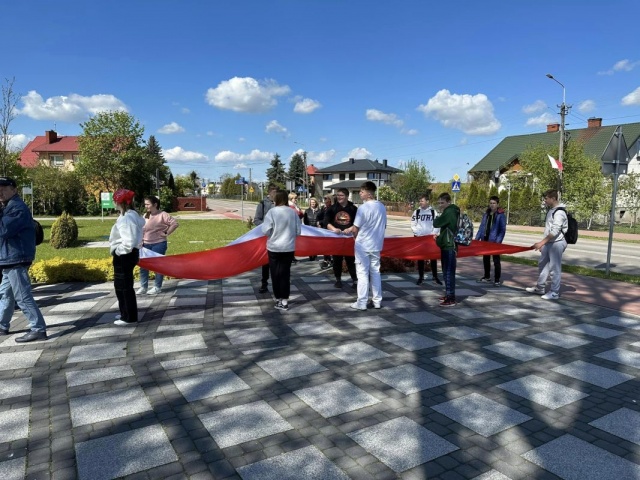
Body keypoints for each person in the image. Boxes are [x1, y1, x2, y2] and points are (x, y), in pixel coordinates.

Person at [0, 177, 48, 342]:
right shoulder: (7, 206)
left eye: (4, 188)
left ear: (14, 190)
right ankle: (2, 325)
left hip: (16, 258)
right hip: (8, 258)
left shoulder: (17, 208)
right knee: (6, 294)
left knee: (22, 296)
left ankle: (38, 328)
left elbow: (4, 230)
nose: (0, 192)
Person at [343, 182, 386, 310]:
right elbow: (382, 225)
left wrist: (353, 234)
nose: (360, 194)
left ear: (369, 193)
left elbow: (356, 228)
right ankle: (377, 301)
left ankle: (362, 302)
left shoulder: (363, 208)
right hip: (376, 244)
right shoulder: (382, 207)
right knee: (375, 272)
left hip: (363, 245)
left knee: (362, 273)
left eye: (362, 192)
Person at [110, 189, 145, 325]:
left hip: (124, 255)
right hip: (129, 254)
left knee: (123, 286)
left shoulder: (126, 218)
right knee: (123, 286)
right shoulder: (130, 215)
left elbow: (129, 241)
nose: (113, 203)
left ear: (119, 202)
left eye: (114, 200)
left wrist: (118, 251)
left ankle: (129, 317)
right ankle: (125, 313)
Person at [262, 190, 301, 311]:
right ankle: (284, 300)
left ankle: (278, 298)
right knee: (285, 273)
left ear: (276, 199)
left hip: (274, 247)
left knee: (275, 273)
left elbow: (265, 230)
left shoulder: (272, 212)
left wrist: (273, 234)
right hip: (288, 247)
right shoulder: (292, 212)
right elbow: (298, 231)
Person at [526, 189, 568, 300]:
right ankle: (540, 287)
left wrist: (541, 243)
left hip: (557, 243)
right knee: (543, 265)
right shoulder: (551, 211)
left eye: (546, 198)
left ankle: (554, 292)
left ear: (553, 199)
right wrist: (544, 244)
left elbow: (555, 231)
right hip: (549, 243)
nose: (545, 200)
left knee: (555, 268)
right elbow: (548, 230)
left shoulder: (559, 213)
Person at [137, 195, 179, 295]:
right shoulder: (146, 215)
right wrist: (140, 241)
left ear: (155, 204)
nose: (146, 206)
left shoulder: (163, 215)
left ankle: (157, 287)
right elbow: (142, 228)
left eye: (148, 204)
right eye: (145, 204)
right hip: (145, 244)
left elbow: (174, 224)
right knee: (144, 266)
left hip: (159, 244)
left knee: (158, 266)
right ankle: (143, 287)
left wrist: (166, 233)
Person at [325, 188, 358, 288]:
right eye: (338, 195)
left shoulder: (353, 209)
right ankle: (338, 280)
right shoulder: (332, 208)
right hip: (336, 238)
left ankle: (355, 280)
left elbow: (359, 223)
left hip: (349, 239)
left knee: (351, 260)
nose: (339, 197)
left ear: (347, 196)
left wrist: (351, 228)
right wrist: (333, 229)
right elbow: (326, 222)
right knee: (337, 260)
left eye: (341, 195)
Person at [433, 192, 460, 307]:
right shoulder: (452, 211)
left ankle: (451, 298)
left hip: (449, 246)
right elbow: (446, 229)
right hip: (447, 244)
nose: (440, 205)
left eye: (442, 203)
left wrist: (437, 217)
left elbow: (436, 223)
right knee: (446, 272)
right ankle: (448, 294)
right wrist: (440, 237)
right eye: (439, 203)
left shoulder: (449, 211)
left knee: (448, 272)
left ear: (448, 202)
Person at [410, 193, 442, 286]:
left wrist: (433, 233)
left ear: (427, 201)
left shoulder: (433, 212)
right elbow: (413, 224)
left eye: (422, 201)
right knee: (420, 258)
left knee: (433, 258)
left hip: (431, 239)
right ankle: (421, 277)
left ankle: (435, 277)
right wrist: (418, 234)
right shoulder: (416, 212)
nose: (420, 202)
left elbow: (437, 224)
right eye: (419, 201)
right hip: (420, 239)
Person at [475, 195, 506, 286]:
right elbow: (481, 227)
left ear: (497, 204)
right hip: (485, 240)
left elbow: (502, 230)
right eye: (491, 203)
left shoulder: (500, 215)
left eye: (494, 203)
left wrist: (498, 242)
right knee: (486, 259)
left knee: (496, 260)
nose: (492, 205)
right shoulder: (486, 214)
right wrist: (477, 239)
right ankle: (487, 276)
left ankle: (497, 279)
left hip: (494, 242)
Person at [254, 184, 277, 293]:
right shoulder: (263, 203)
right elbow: (257, 220)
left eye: (277, 192)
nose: (276, 195)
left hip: (279, 238)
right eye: (274, 192)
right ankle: (264, 283)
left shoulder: (281, 204)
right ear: (269, 192)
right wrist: (267, 227)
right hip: (267, 237)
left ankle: (278, 284)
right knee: (266, 262)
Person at [316, 194, 334, 269]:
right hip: (324, 229)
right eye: (324, 199)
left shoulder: (332, 208)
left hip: (330, 229)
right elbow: (319, 216)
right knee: (325, 245)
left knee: (330, 246)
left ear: (330, 200)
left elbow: (328, 220)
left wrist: (321, 222)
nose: (325, 200)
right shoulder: (323, 208)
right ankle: (326, 259)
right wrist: (318, 222)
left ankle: (330, 260)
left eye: (326, 199)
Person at [303, 197, 321, 261]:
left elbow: (321, 219)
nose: (312, 203)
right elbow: (305, 221)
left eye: (314, 202)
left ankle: (315, 254)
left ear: (316, 203)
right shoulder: (307, 211)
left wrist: (319, 224)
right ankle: (310, 255)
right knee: (309, 243)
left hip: (316, 229)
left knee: (315, 243)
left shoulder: (319, 211)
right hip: (309, 229)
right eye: (311, 202)